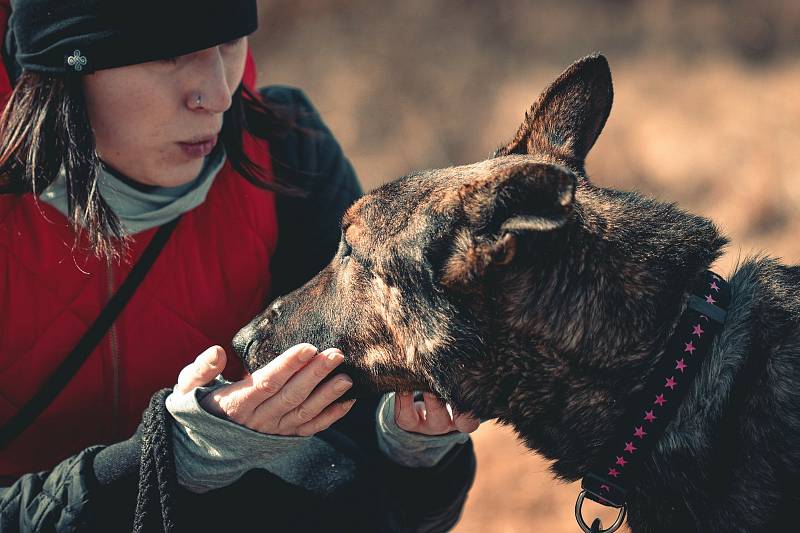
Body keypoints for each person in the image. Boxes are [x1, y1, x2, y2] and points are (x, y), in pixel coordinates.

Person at [0, 0, 478, 531]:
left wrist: (409, 447)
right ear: (67, 63)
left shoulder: (286, 151)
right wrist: (168, 460)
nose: (218, 93)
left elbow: (369, 491)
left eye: (229, 43)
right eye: (170, 54)